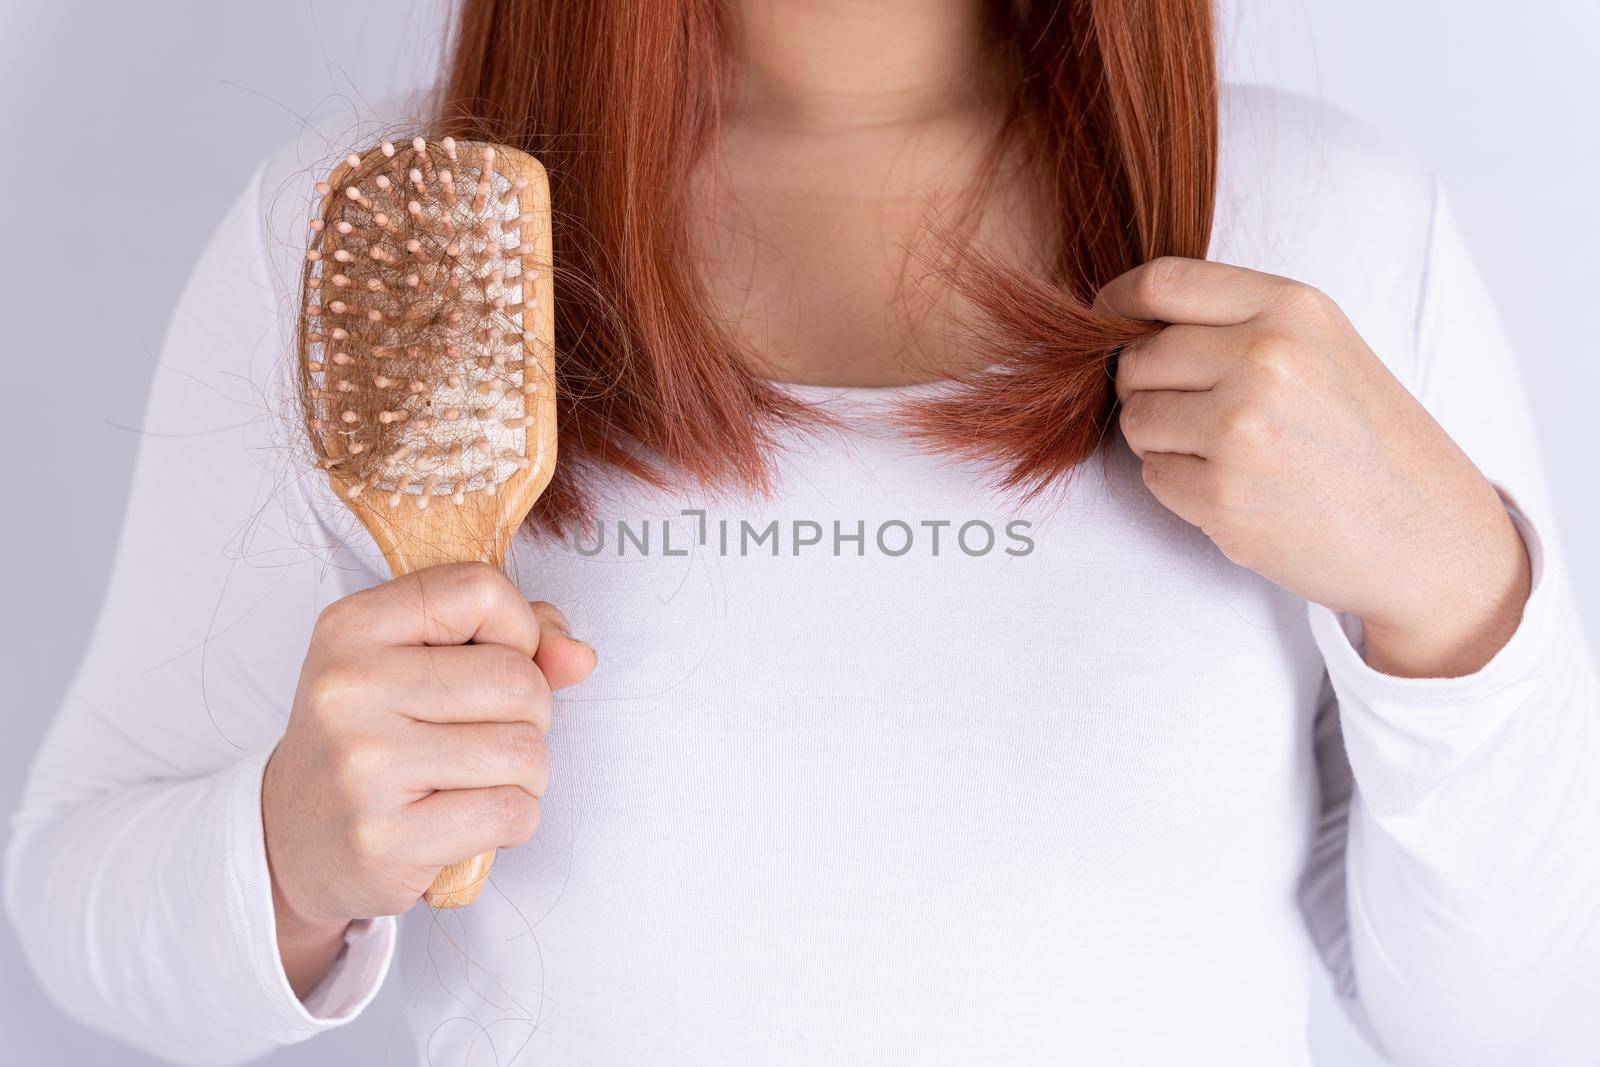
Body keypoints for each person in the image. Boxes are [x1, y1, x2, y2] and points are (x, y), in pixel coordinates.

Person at [9, 1, 1599, 1064]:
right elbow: (80, 902)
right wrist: (294, 857)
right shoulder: (401, 229)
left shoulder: (1329, 228)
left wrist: (1456, 585)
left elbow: (1509, 1024)